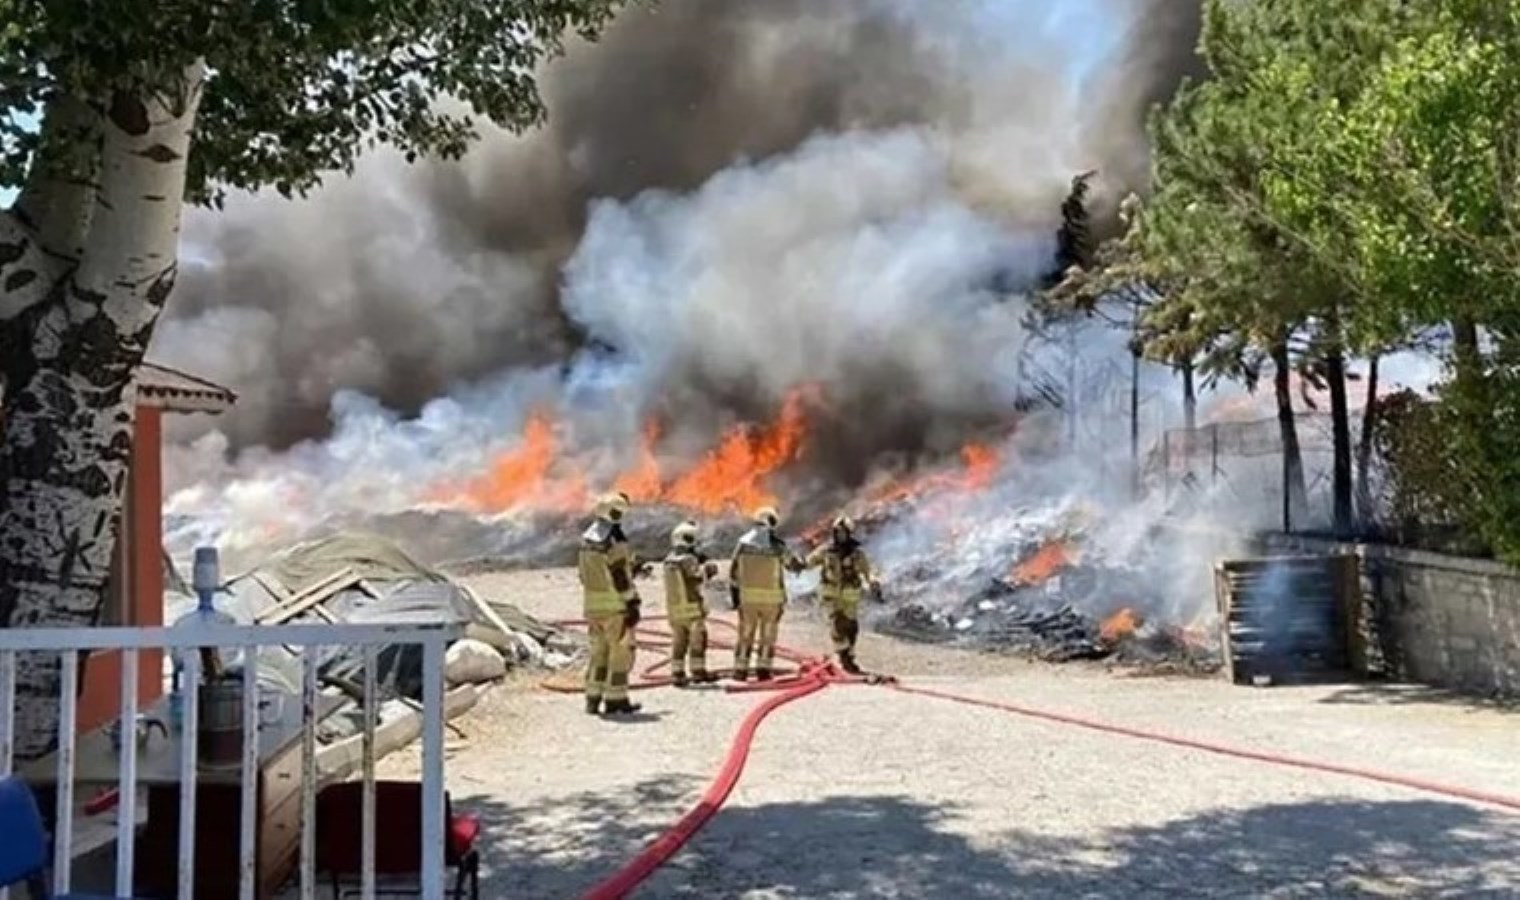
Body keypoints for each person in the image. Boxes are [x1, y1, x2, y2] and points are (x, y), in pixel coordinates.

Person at [577, 493, 642, 715]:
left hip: (592, 607)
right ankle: (616, 699)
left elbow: (584, 575)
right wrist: (631, 601)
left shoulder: (587, 541)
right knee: (620, 652)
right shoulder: (614, 541)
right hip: (615, 608)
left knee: (598, 653)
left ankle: (592, 698)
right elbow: (619, 576)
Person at [728, 506, 803, 681]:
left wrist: (735, 597)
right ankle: (763, 670)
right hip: (771, 601)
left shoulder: (743, 544)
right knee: (767, 636)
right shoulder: (777, 546)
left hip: (748, 600)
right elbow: (791, 565)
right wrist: (801, 563)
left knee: (745, 635)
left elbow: (733, 572)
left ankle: (740, 670)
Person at [805, 516, 880, 674]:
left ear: (849, 533)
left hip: (850, 596)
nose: (839, 535)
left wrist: (874, 582)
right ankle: (844, 654)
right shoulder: (826, 551)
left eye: (842, 532)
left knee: (851, 626)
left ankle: (849, 653)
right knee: (837, 623)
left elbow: (868, 571)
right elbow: (808, 562)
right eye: (837, 532)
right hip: (831, 594)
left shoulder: (857, 554)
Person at [663, 519, 719, 687]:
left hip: (674, 610)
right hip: (691, 608)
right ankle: (698, 672)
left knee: (679, 642)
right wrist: (708, 570)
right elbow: (695, 579)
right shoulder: (688, 559)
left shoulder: (668, 560)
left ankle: (677, 674)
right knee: (698, 641)